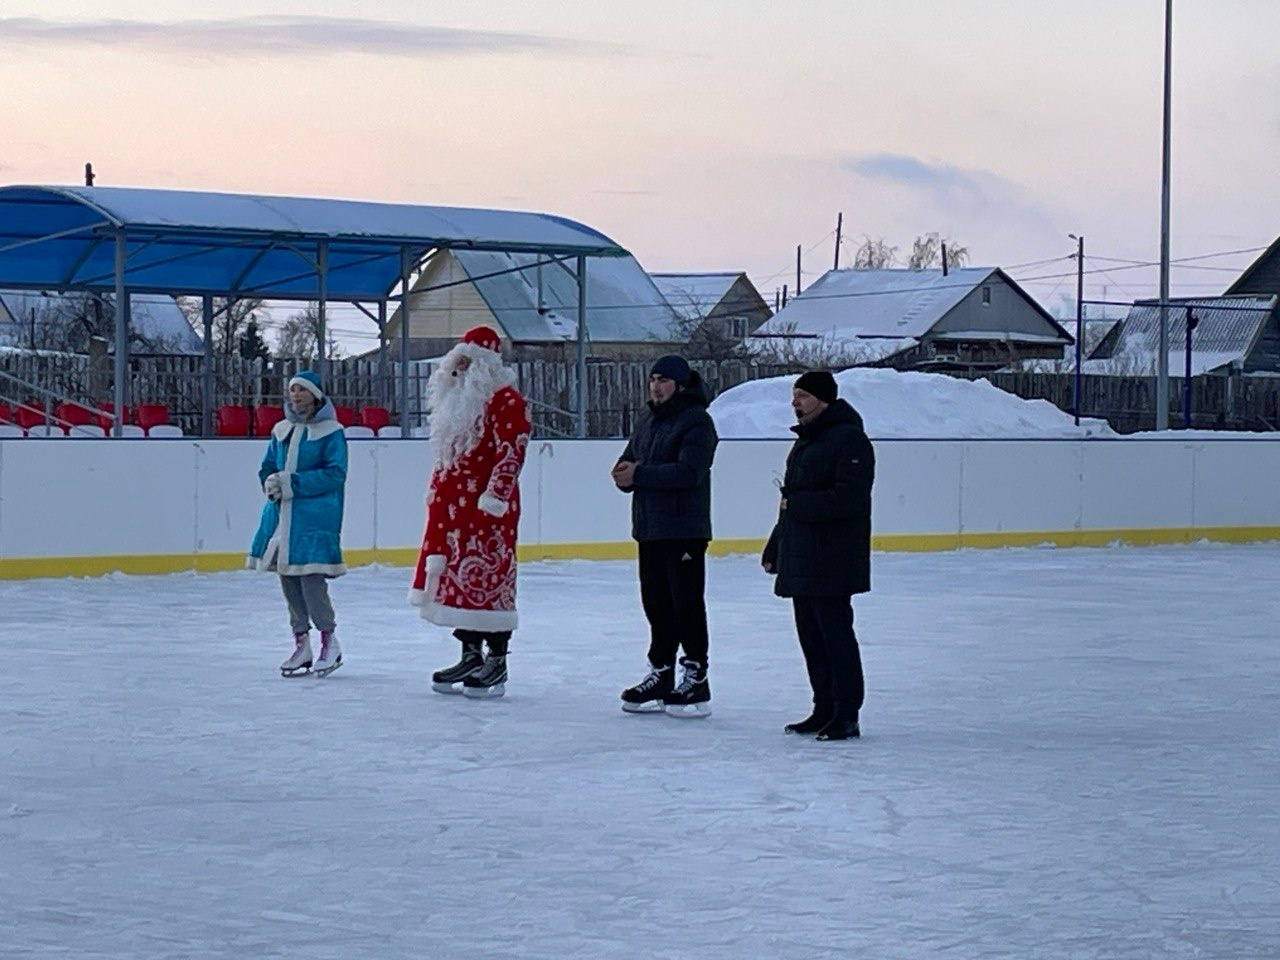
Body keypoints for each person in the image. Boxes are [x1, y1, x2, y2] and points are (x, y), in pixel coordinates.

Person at [410, 325, 531, 699]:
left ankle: (497, 658)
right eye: (457, 361)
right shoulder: (459, 404)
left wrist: (494, 498)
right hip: (454, 512)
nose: (460, 369)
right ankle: (470, 653)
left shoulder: (506, 401)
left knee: (490, 581)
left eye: (467, 362)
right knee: (459, 583)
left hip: (487, 511)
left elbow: (511, 452)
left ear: (485, 365)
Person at [763, 370, 874, 740]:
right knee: (811, 639)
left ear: (824, 400)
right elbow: (789, 502)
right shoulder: (807, 441)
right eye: (794, 395)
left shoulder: (849, 440)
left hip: (833, 558)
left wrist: (798, 505)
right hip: (803, 556)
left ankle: (847, 712)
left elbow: (848, 498)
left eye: (803, 396)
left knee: (835, 637)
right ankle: (823, 707)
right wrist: (777, 545)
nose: (795, 403)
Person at [612, 355, 718, 717]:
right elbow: (631, 459)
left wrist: (639, 474)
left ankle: (696, 676)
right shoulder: (648, 419)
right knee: (656, 605)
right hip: (650, 529)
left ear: (681, 385)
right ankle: (662, 672)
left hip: (683, 530)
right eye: (653, 379)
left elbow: (689, 472)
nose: (656, 386)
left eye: (664, 380)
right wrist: (624, 474)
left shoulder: (697, 421)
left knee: (686, 604)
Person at [249, 369, 349, 678]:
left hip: (314, 518)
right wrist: (270, 483)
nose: (296, 395)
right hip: (282, 518)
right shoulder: (281, 430)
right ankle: (301, 643)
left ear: (316, 396)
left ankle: (329, 641)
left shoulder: (331, 432)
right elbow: (268, 466)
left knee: (310, 581)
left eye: (302, 390)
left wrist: (292, 483)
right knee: (289, 580)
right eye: (292, 390)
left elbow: (335, 473)